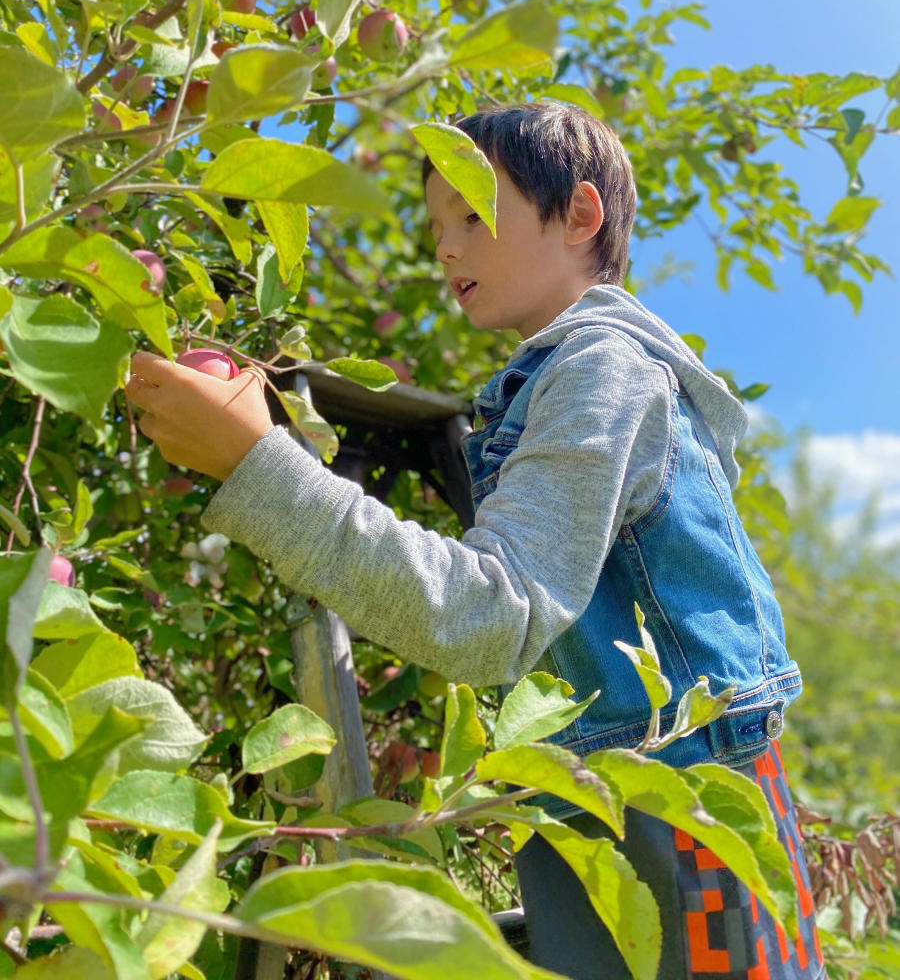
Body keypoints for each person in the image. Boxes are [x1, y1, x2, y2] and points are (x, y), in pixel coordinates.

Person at [125, 102, 824, 979]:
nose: (445, 247)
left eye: (471, 214)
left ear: (577, 215)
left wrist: (257, 466)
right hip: (599, 790)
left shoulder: (604, 371)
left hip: (681, 791)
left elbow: (494, 612)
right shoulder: (546, 387)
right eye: (434, 226)